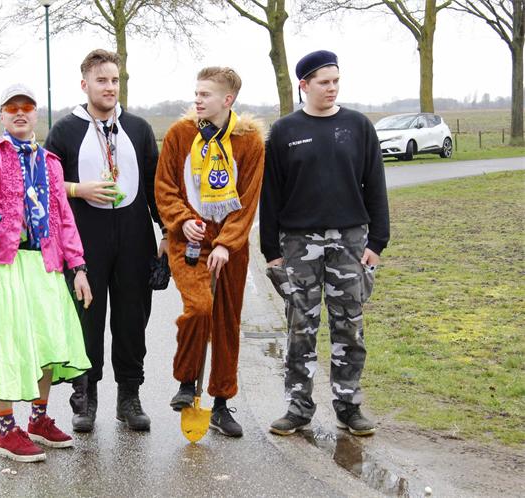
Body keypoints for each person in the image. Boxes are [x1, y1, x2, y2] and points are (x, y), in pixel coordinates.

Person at [0, 83, 93, 462]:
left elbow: (64, 218)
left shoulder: (50, 163)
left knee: (47, 344)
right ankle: (6, 431)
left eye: (27, 107)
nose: (20, 113)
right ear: (1, 114)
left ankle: (38, 420)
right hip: (4, 263)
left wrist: (78, 267)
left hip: (45, 264)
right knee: (7, 343)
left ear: (36, 114)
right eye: (12, 107)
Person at [259, 50, 390, 437]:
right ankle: (298, 407)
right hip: (298, 244)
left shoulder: (357, 126)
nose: (331, 88)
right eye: (323, 82)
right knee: (300, 326)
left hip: (350, 242)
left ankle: (349, 406)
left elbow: (375, 186)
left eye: (336, 81)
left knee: (349, 326)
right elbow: (271, 194)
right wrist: (271, 252)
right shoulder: (284, 131)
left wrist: (377, 241)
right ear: (304, 85)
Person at [44, 49, 165, 433]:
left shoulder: (139, 128)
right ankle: (85, 397)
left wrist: (165, 232)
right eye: (101, 80)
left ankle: (129, 397)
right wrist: (79, 189)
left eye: (114, 80)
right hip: (85, 241)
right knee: (87, 320)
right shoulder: (64, 130)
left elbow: (156, 186)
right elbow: (44, 185)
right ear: (85, 84)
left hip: (134, 239)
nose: (110, 87)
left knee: (132, 320)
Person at [155, 66, 264, 437]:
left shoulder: (249, 142)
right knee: (200, 307)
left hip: (229, 245)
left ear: (227, 99)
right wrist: (182, 220)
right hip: (189, 239)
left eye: (205, 94)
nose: (197, 100)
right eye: (196, 93)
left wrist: (227, 244)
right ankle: (187, 382)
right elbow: (164, 187)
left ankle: (220, 403)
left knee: (226, 323)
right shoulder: (180, 134)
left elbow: (247, 201)